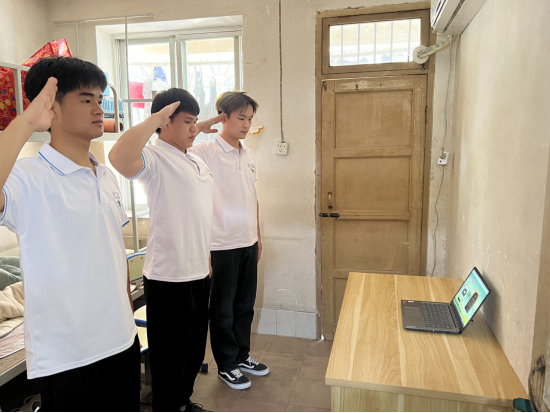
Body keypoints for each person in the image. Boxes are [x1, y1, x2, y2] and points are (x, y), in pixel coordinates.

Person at [0, 57, 139, 412]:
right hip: (69, 354)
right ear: (52, 108)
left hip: (121, 339)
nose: (99, 108)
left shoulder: (104, 175)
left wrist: (126, 311)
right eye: (86, 98)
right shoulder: (26, 177)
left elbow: (113, 251)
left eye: (100, 99)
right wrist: (25, 123)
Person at [109, 88, 223, 412]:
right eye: (187, 121)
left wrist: (195, 126)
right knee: (169, 357)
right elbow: (118, 158)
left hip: (199, 271)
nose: (193, 128)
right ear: (165, 122)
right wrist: (155, 119)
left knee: (193, 352)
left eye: (195, 121)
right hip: (169, 277)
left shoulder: (193, 157)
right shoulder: (154, 159)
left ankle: (182, 403)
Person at [189, 92, 269, 390]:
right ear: (223, 117)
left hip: (247, 242)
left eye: (250, 119)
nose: (247, 124)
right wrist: (201, 126)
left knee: (244, 305)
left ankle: (242, 356)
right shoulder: (205, 151)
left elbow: (252, 198)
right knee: (222, 309)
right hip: (220, 245)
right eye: (241, 118)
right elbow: (174, 145)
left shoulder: (248, 156)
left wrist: (258, 236)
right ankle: (226, 365)